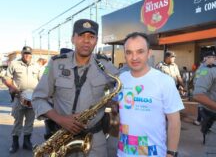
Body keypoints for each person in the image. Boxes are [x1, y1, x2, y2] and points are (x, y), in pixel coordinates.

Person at [31, 19, 119, 157]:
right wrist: (60, 119)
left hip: (95, 140)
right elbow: (38, 98)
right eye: (81, 36)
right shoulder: (56, 63)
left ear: (96, 41)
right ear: (73, 38)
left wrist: (114, 102)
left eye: (91, 37)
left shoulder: (105, 65)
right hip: (61, 138)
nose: (86, 41)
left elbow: (126, 86)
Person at [116, 32, 184, 157]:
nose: (134, 57)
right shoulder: (121, 79)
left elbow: (174, 122)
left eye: (140, 51)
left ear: (149, 53)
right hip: (123, 152)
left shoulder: (164, 81)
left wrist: (171, 153)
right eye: (129, 52)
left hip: (154, 153)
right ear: (124, 55)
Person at [3, 46, 40, 153]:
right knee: (17, 121)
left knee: (30, 121)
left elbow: (41, 79)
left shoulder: (36, 65)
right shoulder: (14, 64)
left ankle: (26, 142)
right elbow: (7, 78)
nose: (27, 55)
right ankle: (15, 143)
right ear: (22, 54)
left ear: (31, 55)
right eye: (25, 53)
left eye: (29, 54)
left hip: (32, 99)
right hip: (18, 97)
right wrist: (13, 88)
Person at [193, 46, 216, 143]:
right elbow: (197, 86)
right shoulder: (205, 69)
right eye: (212, 57)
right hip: (208, 104)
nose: (213, 59)